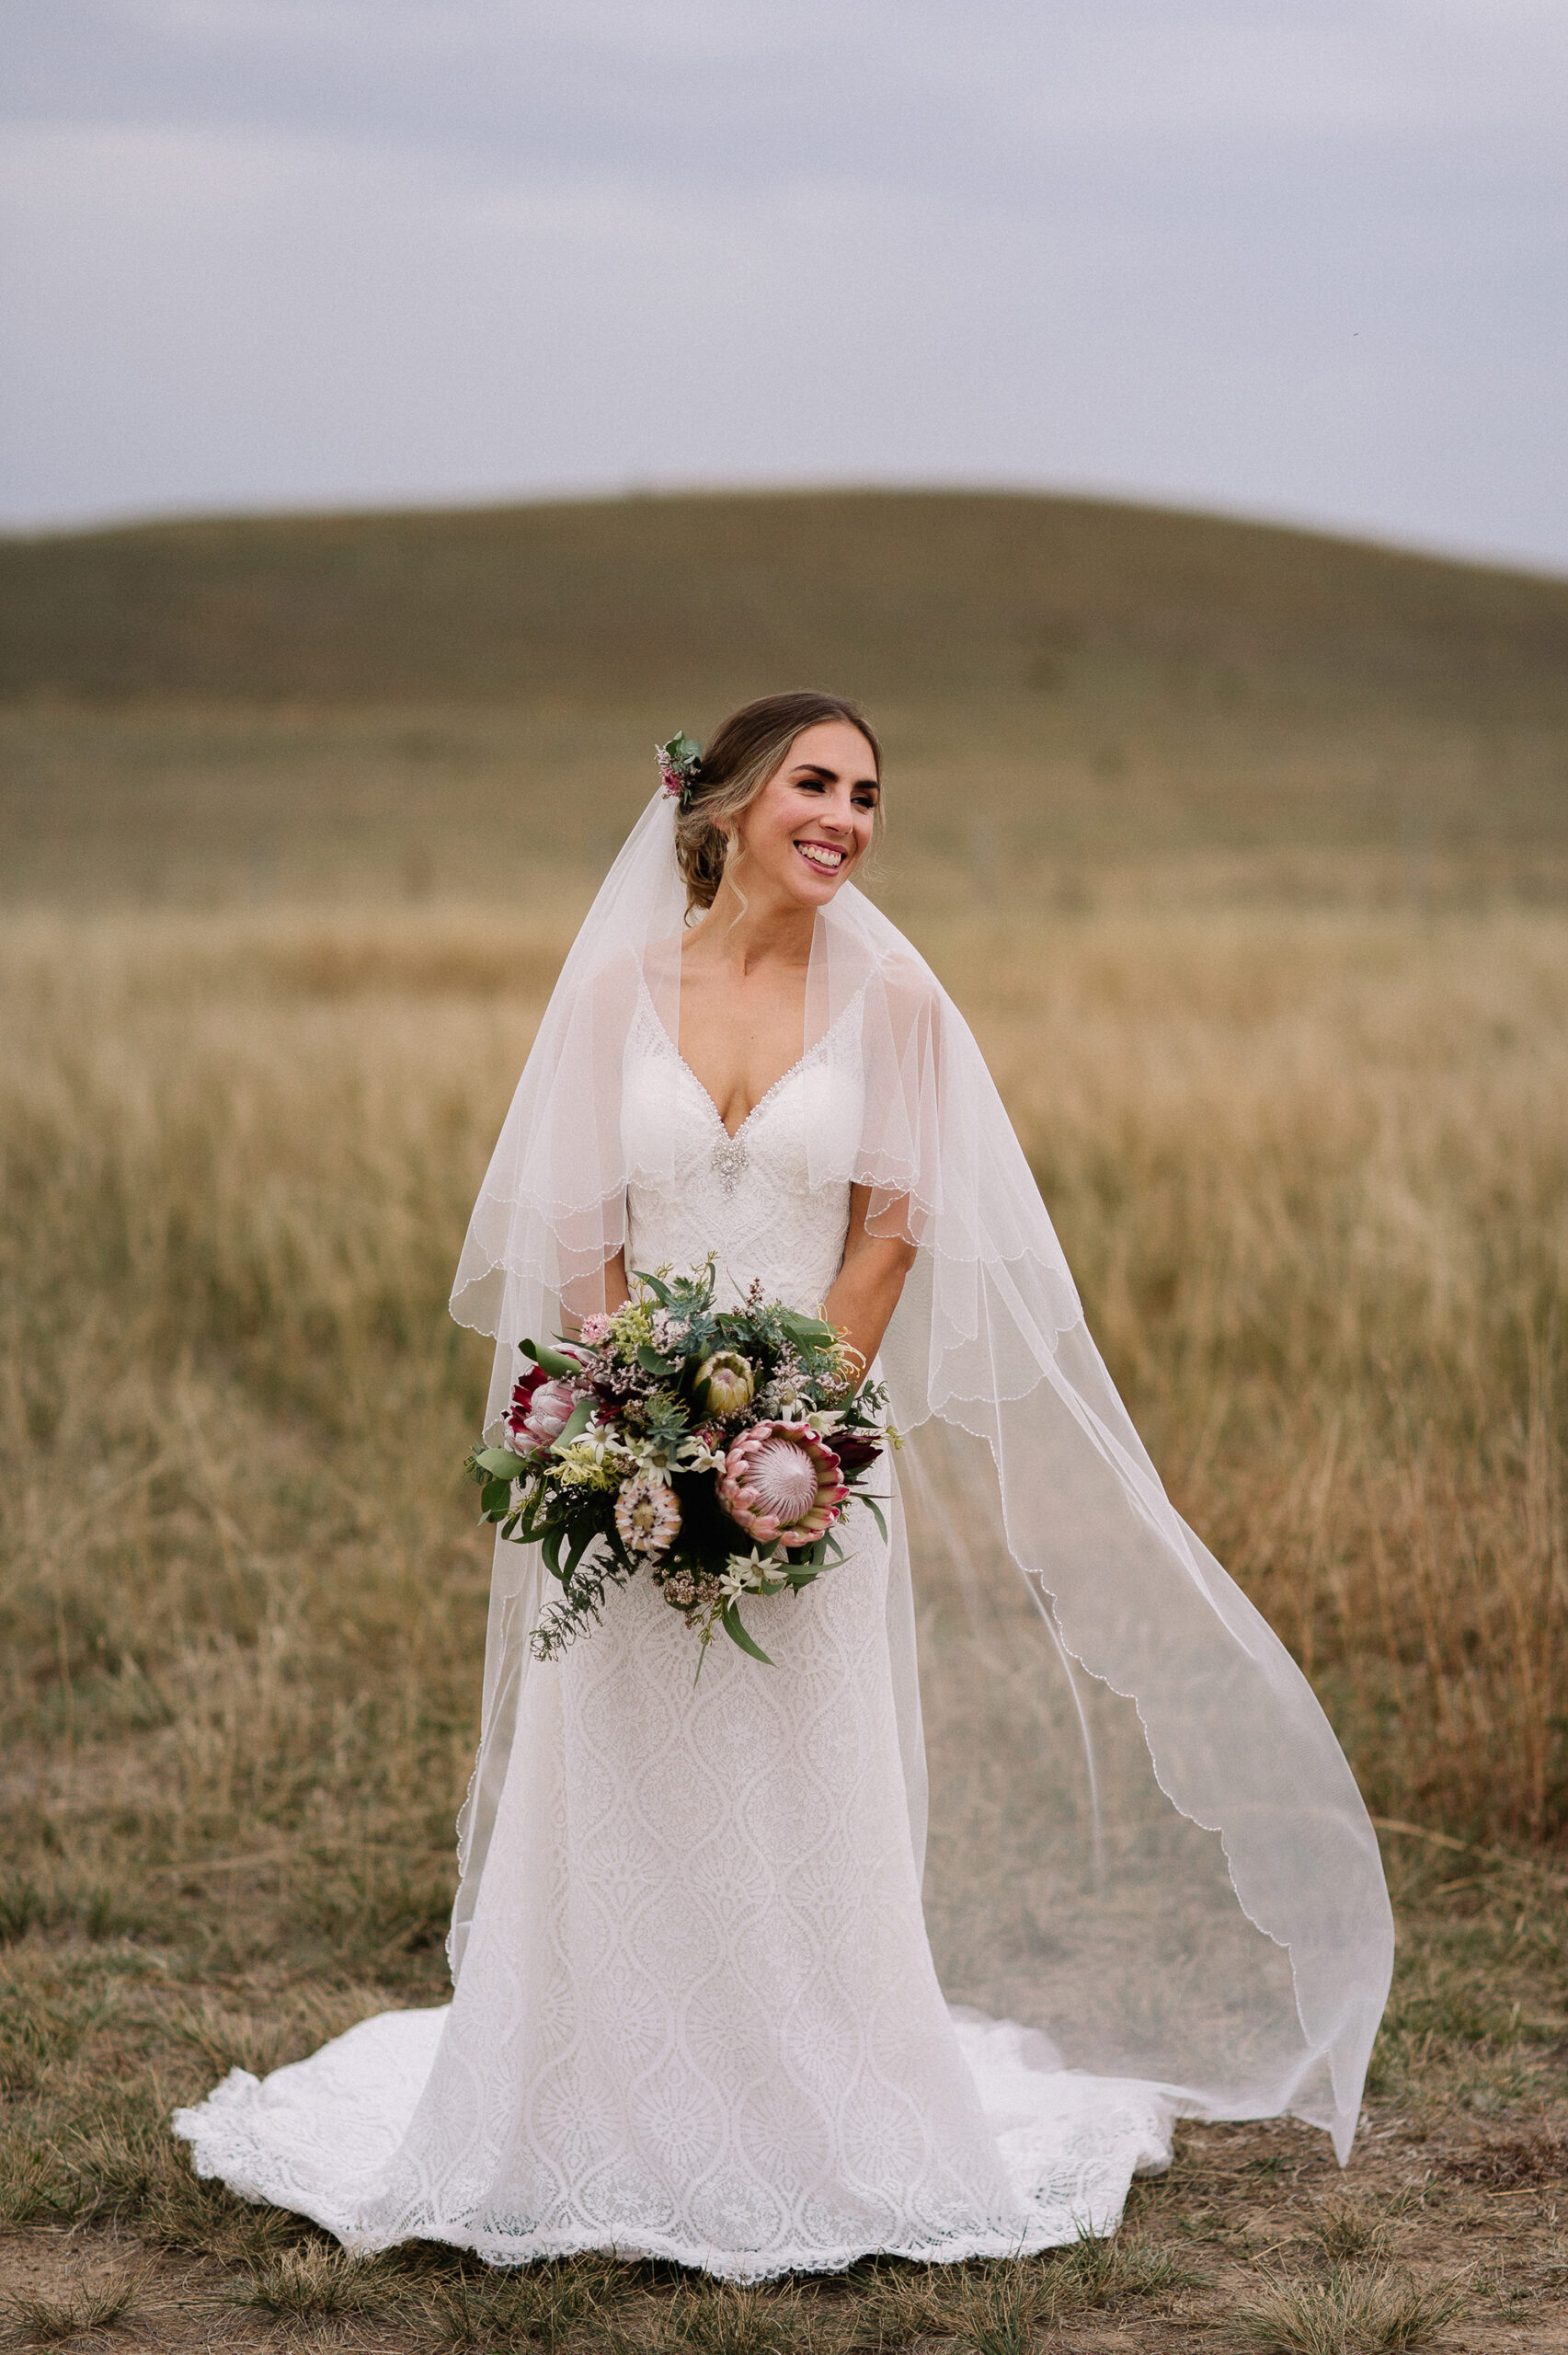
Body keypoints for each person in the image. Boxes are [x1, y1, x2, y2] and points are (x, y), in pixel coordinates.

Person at [175, 690, 1393, 2279]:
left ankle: (814, 2098)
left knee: (799, 1775)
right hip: (627, 1458)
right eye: (816, 784)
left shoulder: (896, 1011)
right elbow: (582, 1232)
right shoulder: (618, 992)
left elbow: (892, 1227)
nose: (847, 817)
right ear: (729, 800)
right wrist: (639, 1423)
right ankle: (592, 2098)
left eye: (870, 795)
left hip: (819, 1460)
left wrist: (790, 1437)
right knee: (622, 1766)